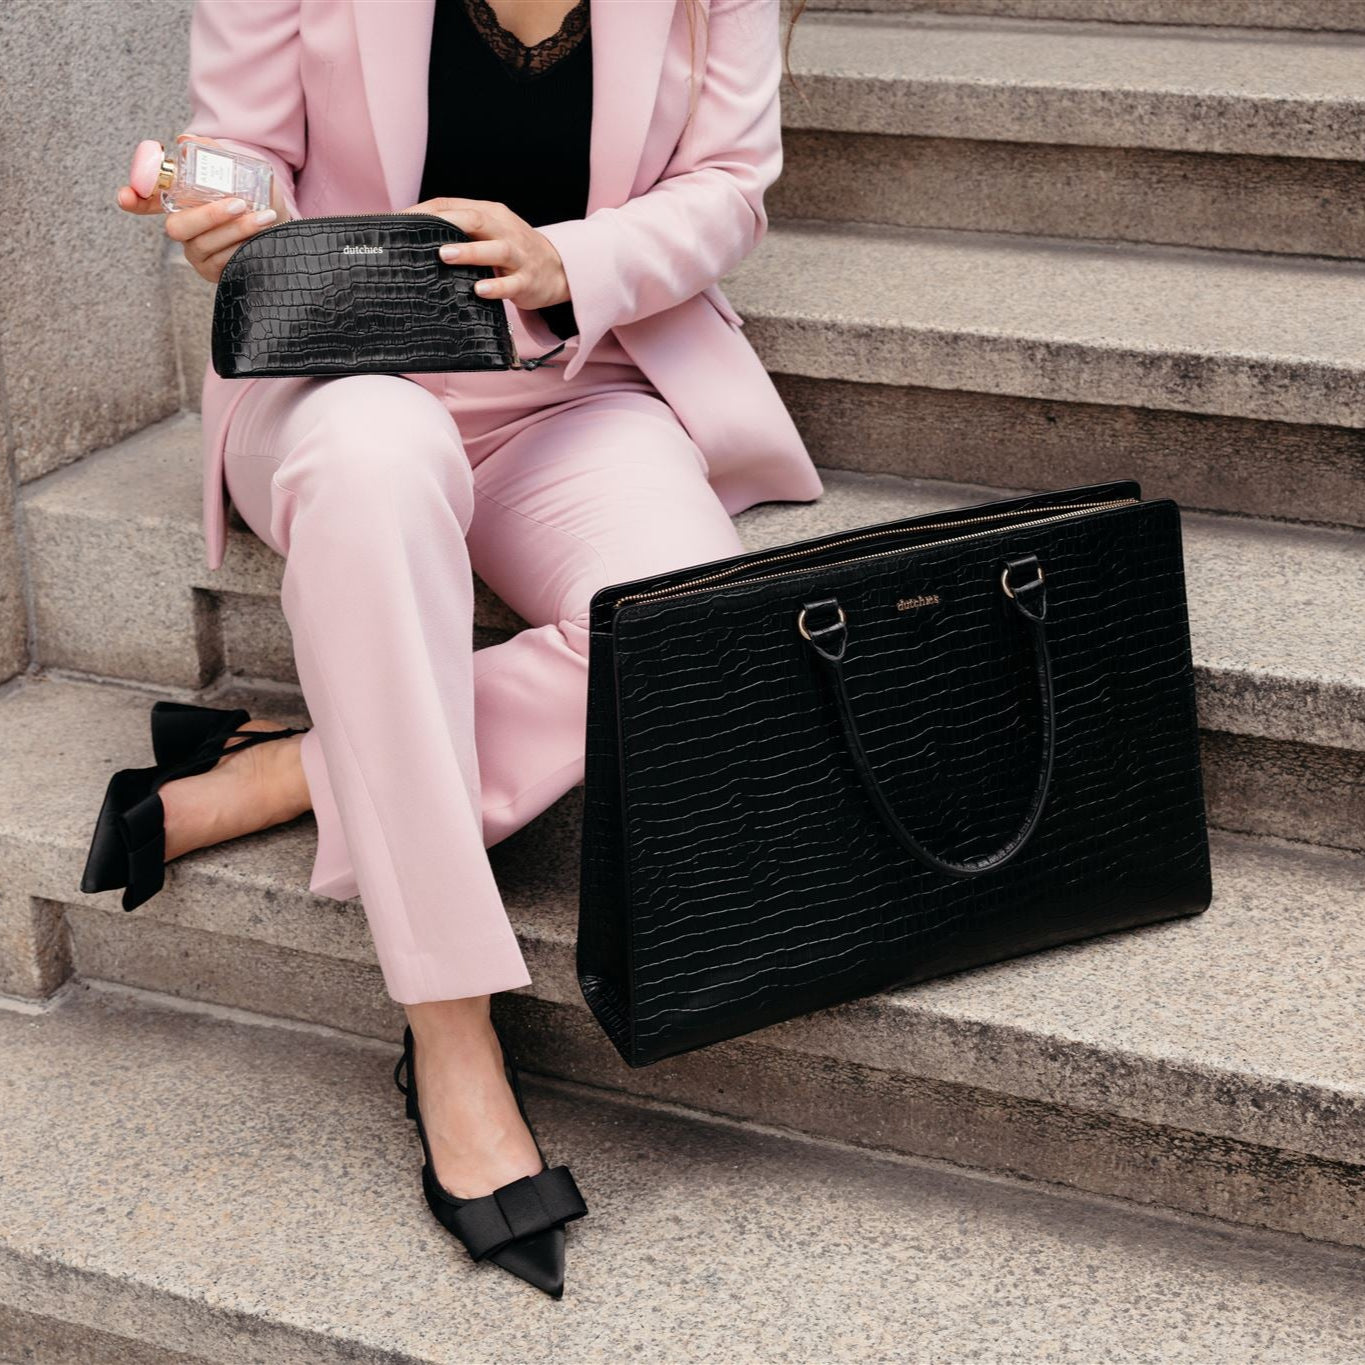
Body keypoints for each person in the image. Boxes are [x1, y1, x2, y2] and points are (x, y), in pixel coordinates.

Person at [93, 0, 823, 1299]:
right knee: (378, 473)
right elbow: (247, 150)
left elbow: (729, 190)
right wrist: (226, 212)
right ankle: (449, 1028)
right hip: (340, 376)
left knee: (683, 628)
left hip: (578, 385)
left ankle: (296, 769)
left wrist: (566, 258)